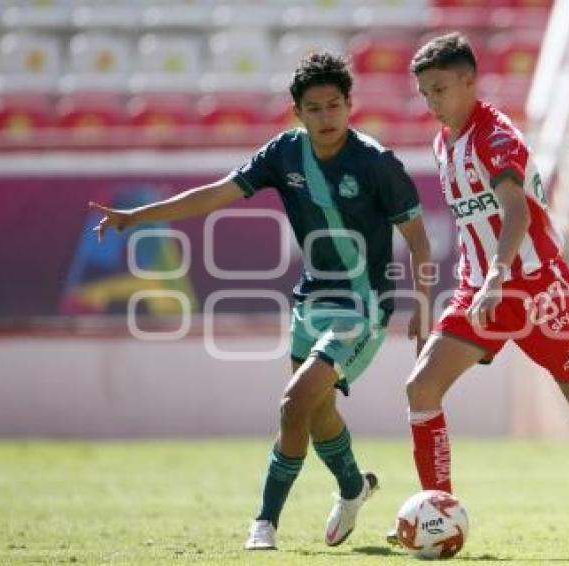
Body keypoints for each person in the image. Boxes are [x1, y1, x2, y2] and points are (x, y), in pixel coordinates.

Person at [91, 52, 433, 550]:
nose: (325, 116)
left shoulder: (377, 163)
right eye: (313, 108)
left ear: (350, 105)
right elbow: (214, 194)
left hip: (362, 307)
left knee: (294, 401)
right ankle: (353, 487)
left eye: (334, 105)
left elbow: (420, 241)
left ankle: (264, 524)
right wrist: (137, 216)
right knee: (313, 415)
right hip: (311, 301)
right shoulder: (284, 154)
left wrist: (422, 304)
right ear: (297, 112)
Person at [391, 32, 569, 557]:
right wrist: (451, 295)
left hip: (539, 288)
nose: (431, 102)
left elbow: (515, 211)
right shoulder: (444, 143)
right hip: (479, 291)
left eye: (439, 89)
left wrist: (497, 275)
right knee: (421, 388)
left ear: (469, 81)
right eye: (424, 92)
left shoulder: (496, 136)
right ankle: (436, 514)